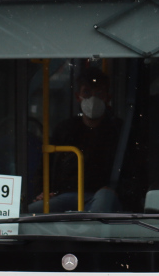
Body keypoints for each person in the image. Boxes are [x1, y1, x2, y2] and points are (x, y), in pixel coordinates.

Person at [46, 68, 124, 213]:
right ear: (78, 96)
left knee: (103, 202)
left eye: (99, 93)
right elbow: (46, 165)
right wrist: (44, 191)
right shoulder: (64, 129)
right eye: (87, 92)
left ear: (108, 98)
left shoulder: (119, 130)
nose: (93, 99)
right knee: (33, 211)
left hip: (101, 196)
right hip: (65, 196)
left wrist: (117, 190)